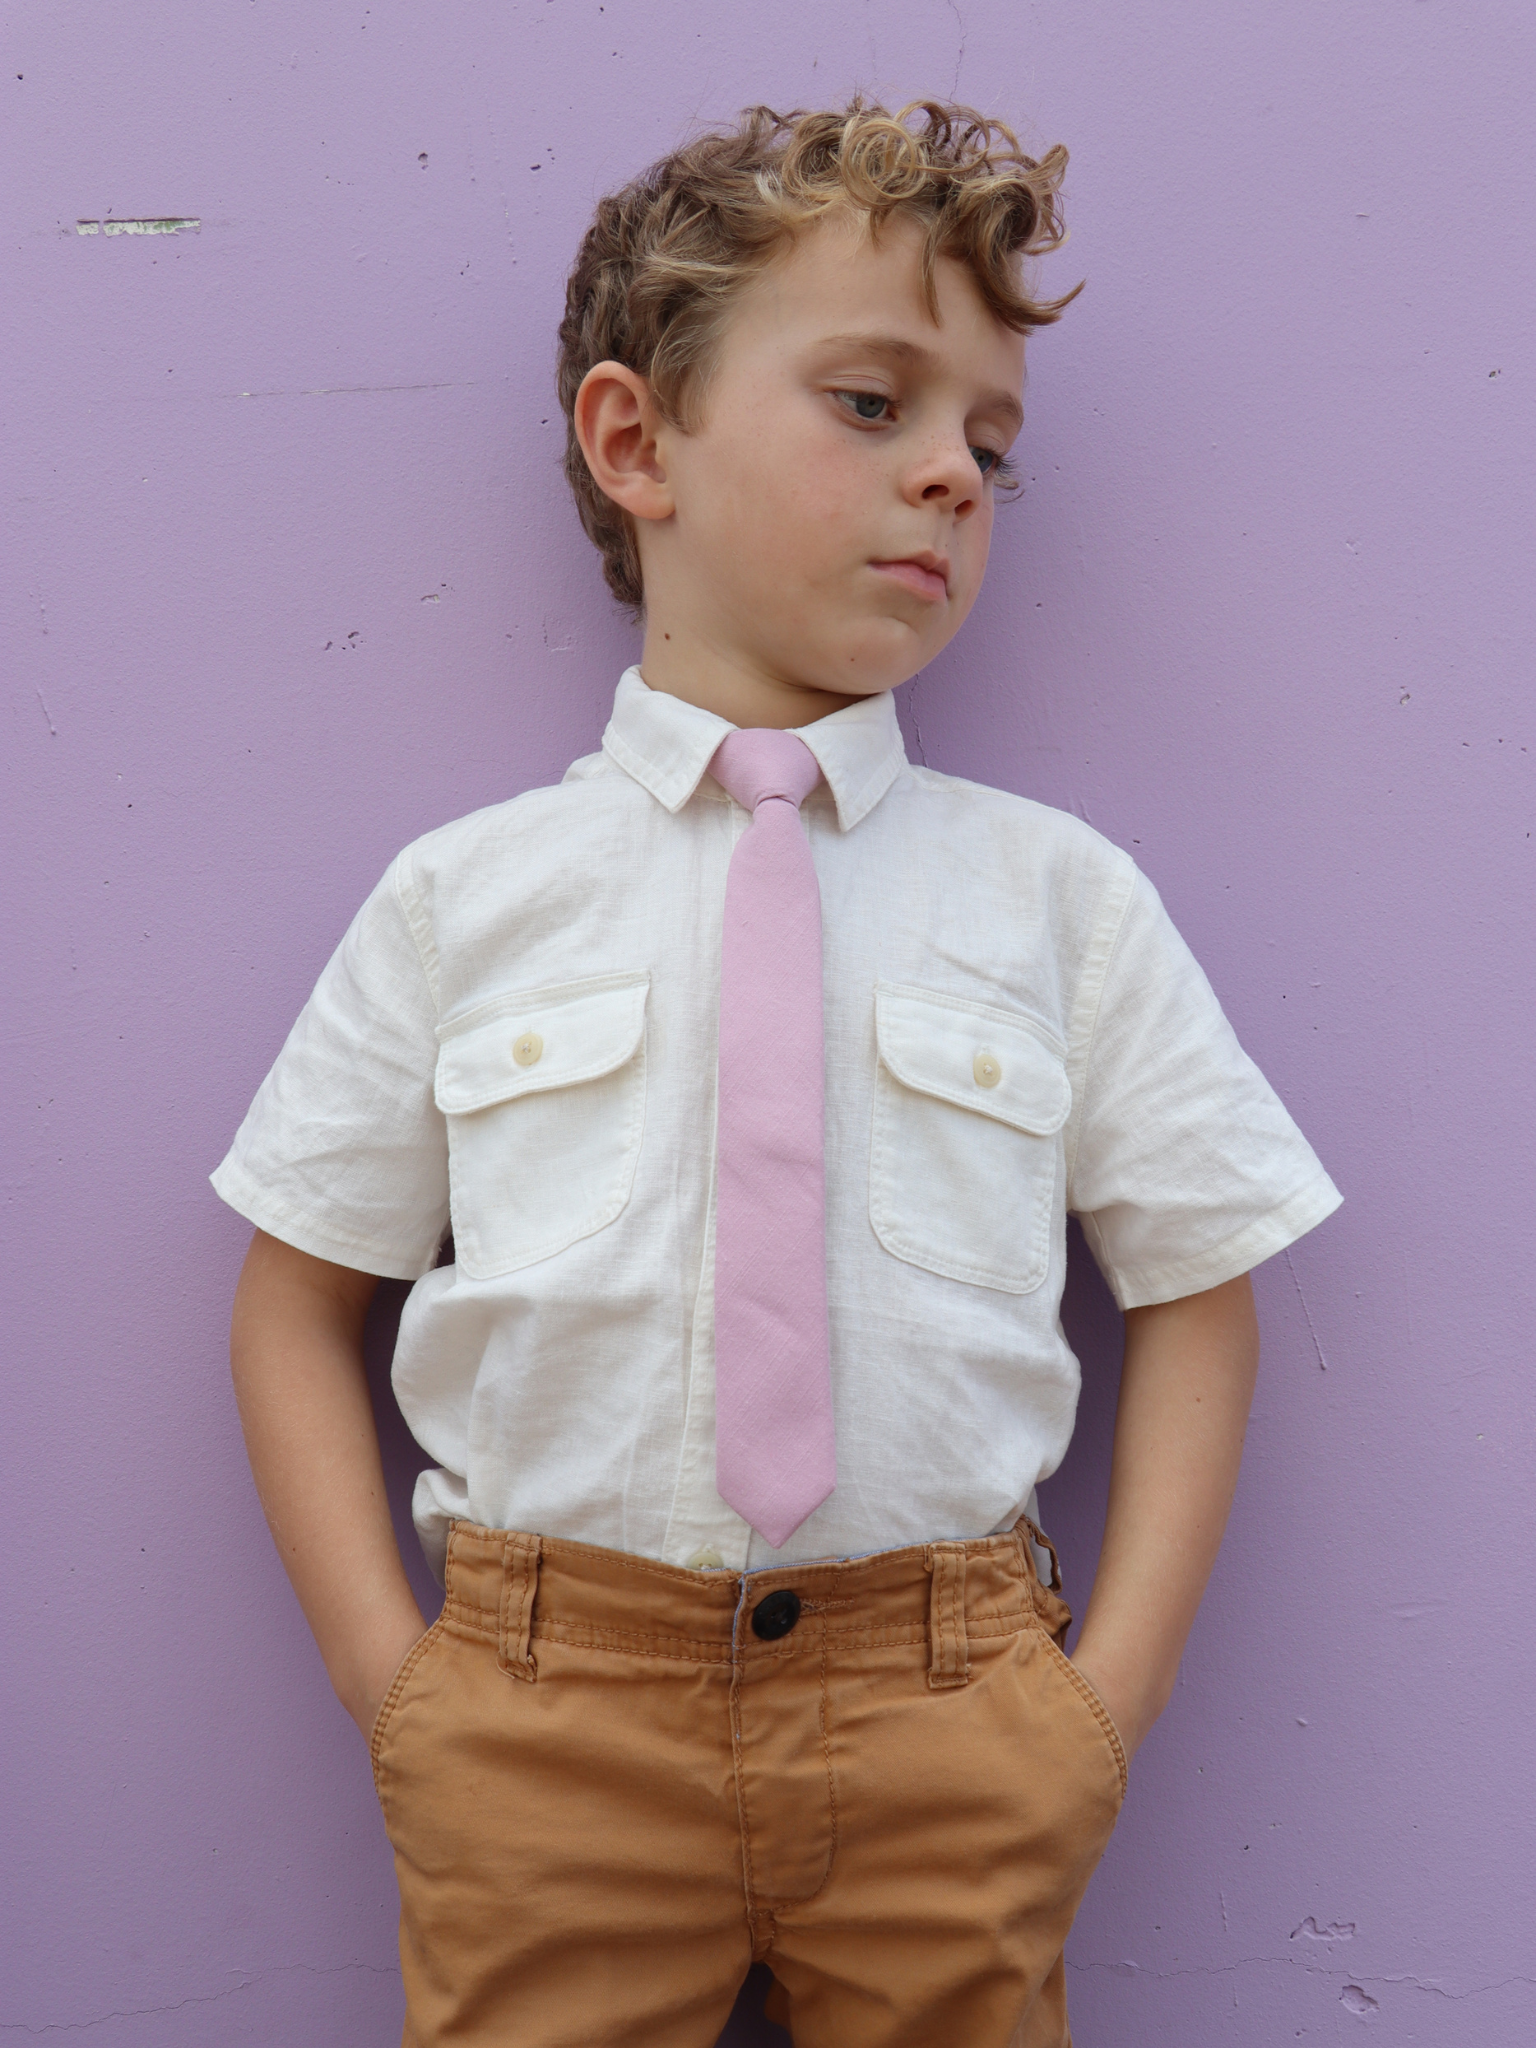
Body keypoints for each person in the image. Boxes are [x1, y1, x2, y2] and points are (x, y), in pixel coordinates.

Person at [215, 100, 1341, 2047]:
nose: (953, 477)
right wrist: (400, 1691)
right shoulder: (464, 901)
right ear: (637, 440)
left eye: (990, 442)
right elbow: (292, 1297)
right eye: (873, 402)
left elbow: (1202, 1284)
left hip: (955, 1712)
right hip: (546, 1724)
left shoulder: (1054, 896)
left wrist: (1102, 1705)